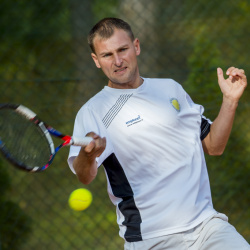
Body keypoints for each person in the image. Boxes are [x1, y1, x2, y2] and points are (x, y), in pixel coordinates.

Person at [68, 17, 249, 249]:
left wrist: (230, 101)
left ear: (136, 46)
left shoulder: (171, 89)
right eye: (107, 55)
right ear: (96, 60)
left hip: (208, 227)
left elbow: (215, 146)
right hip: (151, 239)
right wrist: (88, 155)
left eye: (123, 49)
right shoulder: (93, 112)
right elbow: (85, 176)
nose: (118, 61)